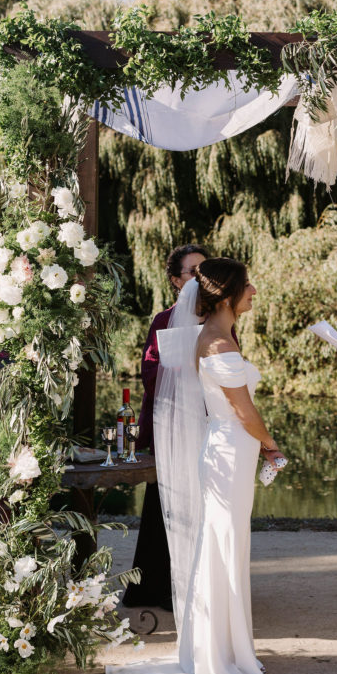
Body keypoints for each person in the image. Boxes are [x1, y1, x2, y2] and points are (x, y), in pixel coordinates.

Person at [107, 258, 299, 674]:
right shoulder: (215, 341)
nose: (254, 290)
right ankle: (219, 657)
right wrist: (272, 448)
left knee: (223, 543)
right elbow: (244, 410)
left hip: (227, 448)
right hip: (230, 449)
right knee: (223, 543)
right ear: (228, 294)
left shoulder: (214, 336)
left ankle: (221, 649)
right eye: (247, 285)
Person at [122, 244, 210, 609]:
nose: (199, 278)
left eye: (204, 270)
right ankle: (155, 586)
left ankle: (201, 588)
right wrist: (183, 374)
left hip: (207, 422)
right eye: (192, 272)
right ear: (176, 281)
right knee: (164, 505)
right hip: (171, 424)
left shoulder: (220, 318)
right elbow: (149, 370)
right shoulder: (163, 320)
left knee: (204, 504)